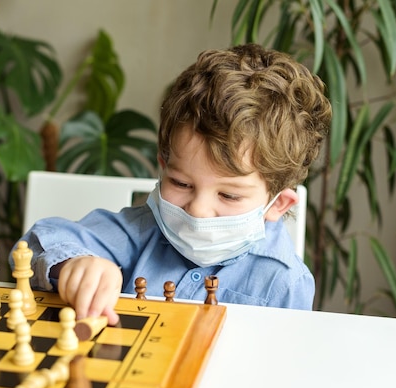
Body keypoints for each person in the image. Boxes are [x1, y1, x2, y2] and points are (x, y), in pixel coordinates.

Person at [16, 43, 332, 325]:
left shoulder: (286, 283)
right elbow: (37, 242)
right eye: (181, 183)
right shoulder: (141, 230)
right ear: (163, 167)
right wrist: (75, 264)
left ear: (277, 203)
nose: (198, 210)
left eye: (228, 194)